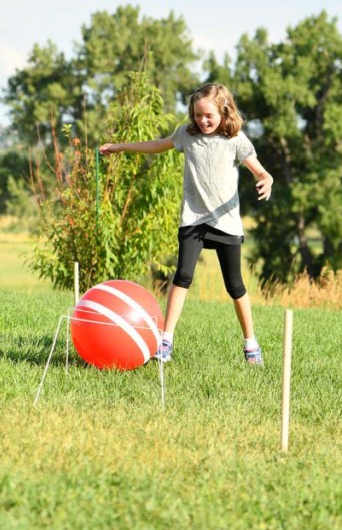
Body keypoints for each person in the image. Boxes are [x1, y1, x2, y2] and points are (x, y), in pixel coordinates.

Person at [99, 82, 273, 365]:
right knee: (182, 277)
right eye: (197, 115)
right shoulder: (186, 134)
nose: (202, 121)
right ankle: (165, 341)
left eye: (209, 116)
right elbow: (157, 146)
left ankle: (251, 343)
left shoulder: (236, 139)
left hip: (225, 222)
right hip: (193, 219)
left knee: (235, 285)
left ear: (224, 112)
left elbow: (260, 171)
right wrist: (120, 147)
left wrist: (267, 180)